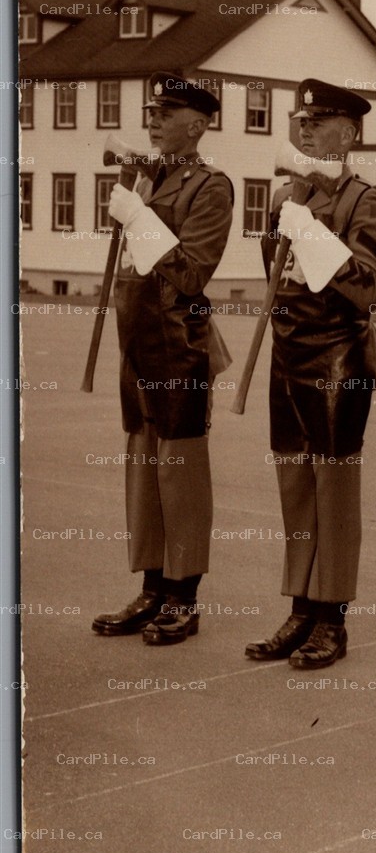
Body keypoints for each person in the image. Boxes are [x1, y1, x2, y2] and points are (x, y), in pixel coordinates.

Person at [244, 78, 376, 671]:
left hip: (337, 356)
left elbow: (370, 286)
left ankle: (332, 616)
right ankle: (301, 606)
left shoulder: (366, 198)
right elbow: (279, 278)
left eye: (319, 120)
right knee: (294, 487)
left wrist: (308, 228)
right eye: (299, 120)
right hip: (288, 352)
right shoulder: (286, 196)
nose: (303, 128)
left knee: (333, 492)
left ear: (348, 133)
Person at [92, 74, 233, 646]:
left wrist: (138, 218)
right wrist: (132, 205)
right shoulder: (149, 178)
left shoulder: (211, 186)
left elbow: (193, 271)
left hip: (179, 344)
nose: (152, 118)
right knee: (144, 471)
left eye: (166, 111)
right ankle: (152, 588)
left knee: (180, 475)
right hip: (138, 338)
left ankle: (183, 597)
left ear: (196, 125)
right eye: (152, 109)